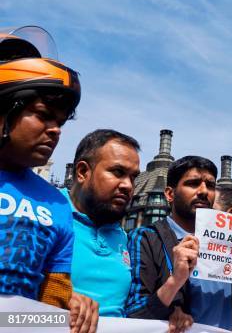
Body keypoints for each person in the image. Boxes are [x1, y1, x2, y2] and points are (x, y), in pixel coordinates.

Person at [0, 26, 97, 332]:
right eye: (42, 114)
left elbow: (44, 309)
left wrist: (69, 310)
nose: (56, 130)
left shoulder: (56, 203)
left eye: (60, 121)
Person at [126, 156, 232, 333]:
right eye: (193, 183)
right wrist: (175, 282)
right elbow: (134, 316)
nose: (204, 191)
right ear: (169, 194)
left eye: (210, 185)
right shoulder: (146, 238)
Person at [66, 129, 140, 318]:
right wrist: (56, 302)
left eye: (133, 177)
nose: (128, 186)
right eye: (118, 172)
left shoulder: (123, 236)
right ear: (83, 172)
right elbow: (9, 318)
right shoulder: (44, 213)